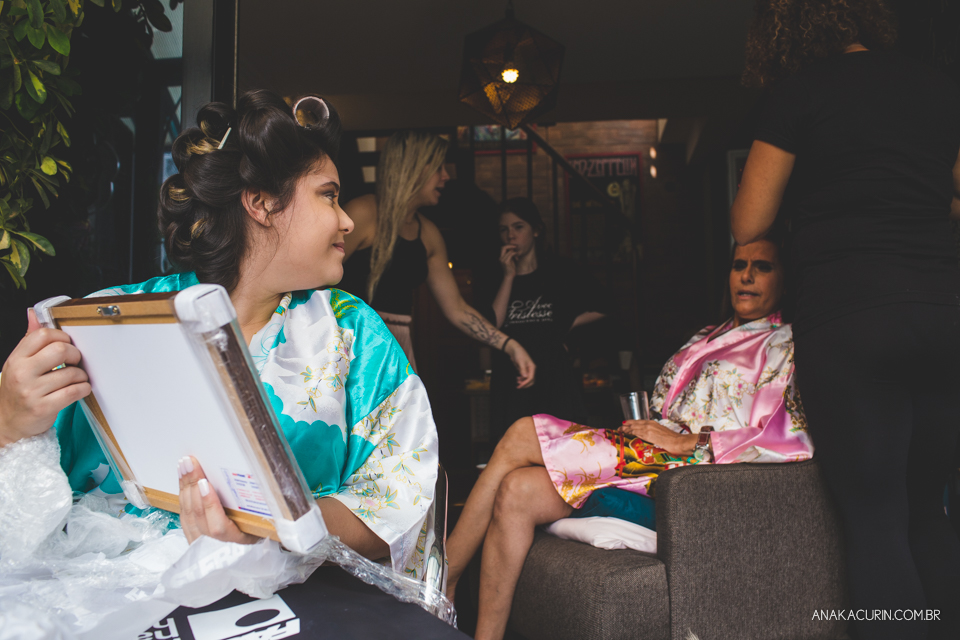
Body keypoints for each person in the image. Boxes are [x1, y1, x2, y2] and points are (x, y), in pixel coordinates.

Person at [0, 91, 439, 578]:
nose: (348, 220)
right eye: (329, 195)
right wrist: (11, 423)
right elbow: (24, 514)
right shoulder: (109, 324)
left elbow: (396, 499)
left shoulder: (355, 334)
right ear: (262, 203)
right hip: (106, 594)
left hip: (282, 603)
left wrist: (273, 531)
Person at [444, 237, 812, 640]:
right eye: (739, 264)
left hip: (692, 475)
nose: (746, 275)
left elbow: (791, 438)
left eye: (762, 267)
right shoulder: (706, 337)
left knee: (522, 432)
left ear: (785, 280)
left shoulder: (788, 346)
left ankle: (446, 574)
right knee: (517, 489)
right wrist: (650, 429)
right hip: (650, 458)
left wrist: (686, 443)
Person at [731, 2, 960, 638]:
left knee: (875, 520)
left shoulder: (797, 93)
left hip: (852, 316)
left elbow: (749, 222)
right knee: (930, 510)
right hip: (944, 314)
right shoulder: (937, 87)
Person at [338, 131, 535, 387]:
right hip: (351, 341)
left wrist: (510, 345)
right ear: (414, 167)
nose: (446, 176)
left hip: (398, 345)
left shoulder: (428, 234)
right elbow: (315, 279)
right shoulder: (362, 213)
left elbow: (457, 308)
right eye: (439, 168)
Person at [476, 197, 606, 442]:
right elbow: (490, 327)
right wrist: (508, 276)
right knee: (513, 448)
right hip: (512, 382)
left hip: (554, 379)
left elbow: (604, 305)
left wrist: (566, 326)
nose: (510, 235)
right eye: (504, 229)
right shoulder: (494, 275)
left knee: (564, 450)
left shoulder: (560, 271)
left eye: (518, 227)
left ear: (535, 230)